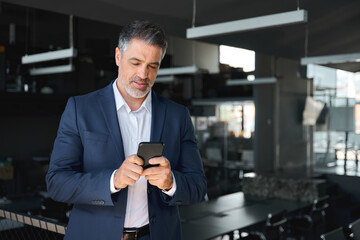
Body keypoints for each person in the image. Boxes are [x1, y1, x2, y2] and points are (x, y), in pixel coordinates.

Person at [46, 19, 207, 240]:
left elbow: (198, 186)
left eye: (153, 66)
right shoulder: (80, 109)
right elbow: (57, 182)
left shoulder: (177, 115)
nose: (144, 74)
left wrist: (171, 183)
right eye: (136, 62)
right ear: (118, 57)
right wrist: (113, 180)